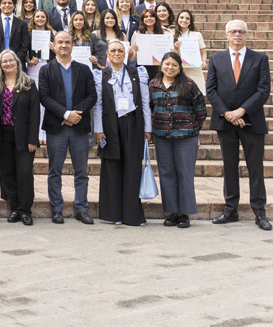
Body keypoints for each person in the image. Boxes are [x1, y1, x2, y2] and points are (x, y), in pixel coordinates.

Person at [207, 20, 272, 231]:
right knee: (229, 167)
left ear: (246, 35)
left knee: (255, 169)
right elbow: (211, 90)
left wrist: (241, 111)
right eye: (233, 31)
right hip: (225, 122)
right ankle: (230, 210)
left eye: (241, 32)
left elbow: (263, 90)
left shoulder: (260, 58)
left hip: (252, 121)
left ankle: (259, 212)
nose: (237, 35)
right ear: (226, 35)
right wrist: (227, 113)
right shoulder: (216, 59)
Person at [39, 31, 98, 225]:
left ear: (72, 45)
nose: (64, 45)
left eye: (67, 42)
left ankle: (82, 209)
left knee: (81, 171)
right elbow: (45, 97)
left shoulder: (84, 69)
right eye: (60, 42)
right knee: (54, 170)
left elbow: (92, 96)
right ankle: (57, 209)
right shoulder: (45, 70)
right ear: (53, 46)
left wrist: (75, 115)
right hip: (56, 128)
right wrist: (65, 114)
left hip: (79, 128)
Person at [92, 40, 152, 226]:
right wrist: (99, 129)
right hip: (110, 125)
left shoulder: (137, 73)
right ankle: (114, 214)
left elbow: (144, 102)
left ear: (125, 53)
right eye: (113, 51)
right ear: (107, 54)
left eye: (120, 50)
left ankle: (132, 215)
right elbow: (98, 104)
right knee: (112, 170)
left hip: (133, 123)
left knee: (133, 169)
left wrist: (147, 128)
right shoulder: (100, 75)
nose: (117, 53)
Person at [149, 51, 207, 229]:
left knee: (185, 174)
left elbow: (201, 110)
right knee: (166, 173)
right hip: (162, 136)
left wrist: (192, 128)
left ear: (180, 67)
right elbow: (150, 108)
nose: (170, 67)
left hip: (186, 137)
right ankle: (172, 212)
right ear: (161, 65)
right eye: (167, 64)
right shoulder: (153, 85)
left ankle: (184, 213)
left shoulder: (188, 84)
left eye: (174, 65)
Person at [0, 49, 40, 225]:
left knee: (25, 172)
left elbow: (35, 114)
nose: (8, 64)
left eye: (11, 60)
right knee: (7, 173)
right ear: (0, 65)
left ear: (17, 63)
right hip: (3, 135)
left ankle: (25, 210)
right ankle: (14, 208)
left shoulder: (28, 83)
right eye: (4, 61)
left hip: (24, 136)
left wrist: (33, 139)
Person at [173, 9, 208, 92]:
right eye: (181, 17)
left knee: (197, 94)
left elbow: (203, 52)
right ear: (177, 19)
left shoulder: (197, 35)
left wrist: (204, 61)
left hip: (194, 69)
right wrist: (176, 49)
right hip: (179, 71)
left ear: (190, 21)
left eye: (187, 18)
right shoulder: (172, 35)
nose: (184, 20)